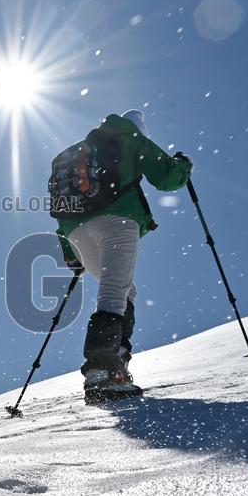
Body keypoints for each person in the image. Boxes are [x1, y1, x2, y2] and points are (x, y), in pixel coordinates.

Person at [54, 110, 193, 403]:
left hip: (75, 230)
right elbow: (167, 178)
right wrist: (183, 166)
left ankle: (115, 358)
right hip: (117, 220)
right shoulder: (131, 139)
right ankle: (101, 371)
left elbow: (63, 205)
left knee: (125, 289)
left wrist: (72, 254)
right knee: (114, 292)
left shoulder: (79, 152)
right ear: (140, 128)